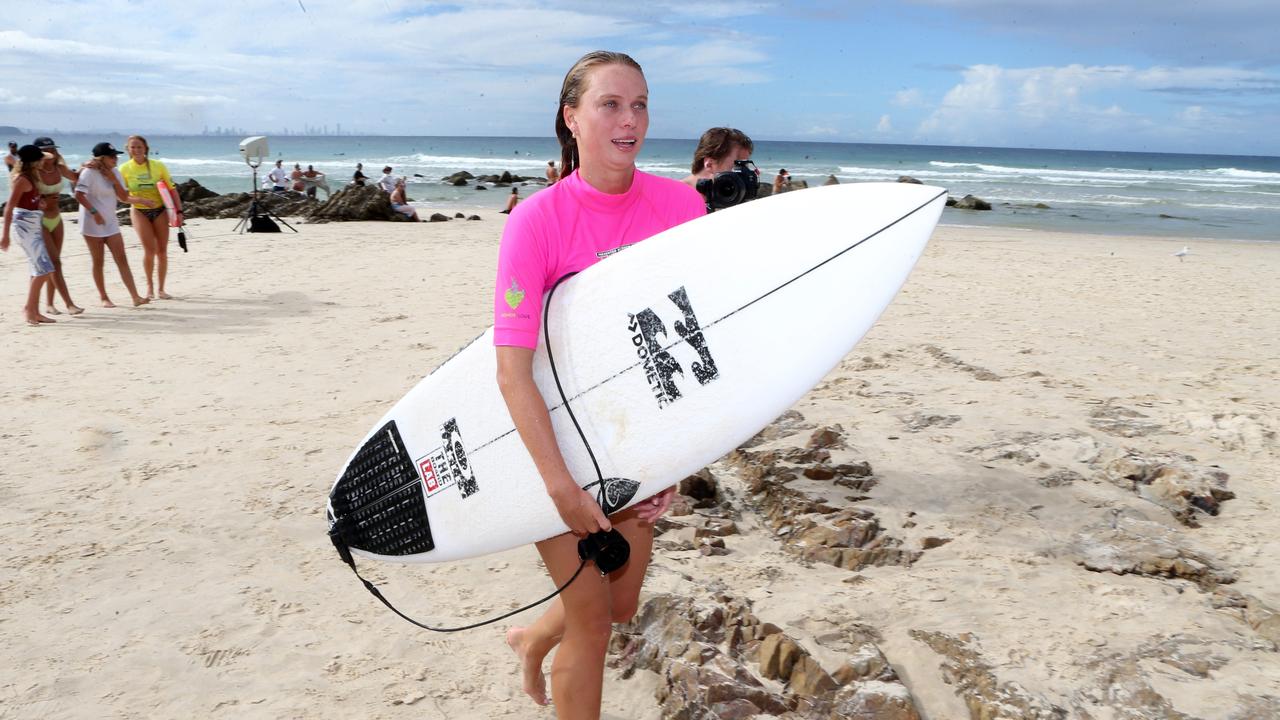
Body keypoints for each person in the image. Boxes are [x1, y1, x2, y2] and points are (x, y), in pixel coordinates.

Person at [495, 50, 704, 718]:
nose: (629, 119)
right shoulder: (537, 221)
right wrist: (559, 485)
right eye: (610, 104)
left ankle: (532, 640)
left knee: (619, 605)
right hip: (551, 447)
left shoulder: (683, 207)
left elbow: (694, 348)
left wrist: (673, 461)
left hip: (631, 449)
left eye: (639, 104)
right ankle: (549, 645)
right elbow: (511, 369)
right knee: (590, 622)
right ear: (572, 118)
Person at [74, 142, 151, 308]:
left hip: (110, 222)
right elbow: (79, 195)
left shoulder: (115, 172)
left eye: (116, 155)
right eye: (112, 156)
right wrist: (94, 213)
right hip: (91, 222)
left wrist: (115, 180)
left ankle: (135, 297)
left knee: (122, 259)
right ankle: (104, 297)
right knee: (98, 261)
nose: (115, 158)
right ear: (101, 158)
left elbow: (123, 196)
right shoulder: (88, 172)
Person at [119, 135, 182, 300]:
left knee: (162, 251)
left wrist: (179, 212)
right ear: (128, 150)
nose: (136, 150)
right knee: (149, 250)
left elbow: (172, 189)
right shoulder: (124, 169)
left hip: (160, 210)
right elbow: (121, 195)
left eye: (139, 147)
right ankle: (149, 287)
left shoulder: (158, 166)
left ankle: (161, 288)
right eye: (132, 147)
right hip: (139, 211)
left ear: (146, 148)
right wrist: (138, 200)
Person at [2, 145, 58, 325]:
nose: (44, 161)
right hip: (25, 228)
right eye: (41, 159)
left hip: (32, 226)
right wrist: (5, 235)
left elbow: (28, 202)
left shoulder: (32, 178)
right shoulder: (23, 179)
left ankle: (34, 310)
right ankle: (28, 309)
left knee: (38, 269)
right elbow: (9, 207)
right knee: (44, 269)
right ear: (34, 161)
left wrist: (39, 203)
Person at [31, 137, 84, 315]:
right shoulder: (33, 172)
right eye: (47, 150)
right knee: (54, 263)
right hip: (39, 221)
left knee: (53, 264)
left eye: (53, 150)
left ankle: (49, 304)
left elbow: (76, 177)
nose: (51, 153)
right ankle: (69, 304)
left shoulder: (59, 168)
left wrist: (87, 166)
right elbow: (24, 194)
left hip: (57, 219)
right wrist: (40, 200)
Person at [681, 127, 754, 187]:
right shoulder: (676, 194)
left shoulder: (731, 196)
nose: (744, 171)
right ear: (709, 164)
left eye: (745, 165)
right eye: (738, 165)